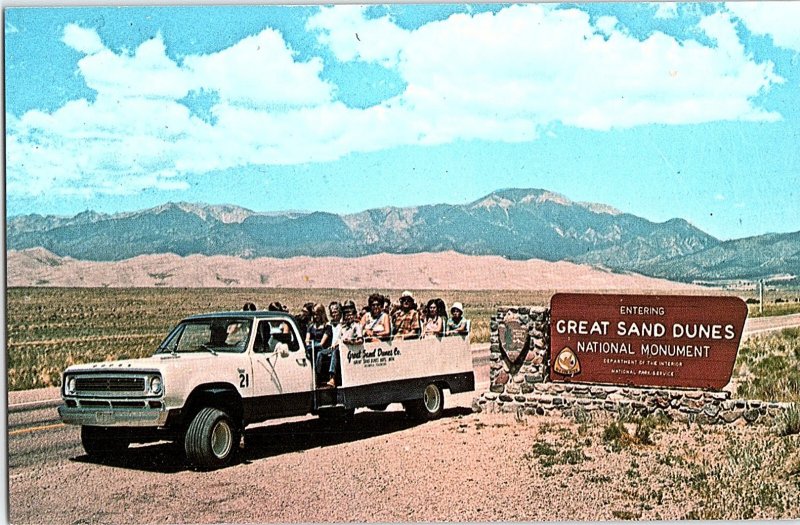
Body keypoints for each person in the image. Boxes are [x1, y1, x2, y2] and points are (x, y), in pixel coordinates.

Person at [325, 300, 363, 387]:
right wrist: (335, 345)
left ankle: (333, 377)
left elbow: (360, 340)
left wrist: (350, 342)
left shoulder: (357, 326)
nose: (348, 317)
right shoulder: (344, 327)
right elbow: (339, 338)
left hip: (352, 349)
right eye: (346, 315)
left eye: (350, 314)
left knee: (335, 352)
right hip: (343, 349)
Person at [306, 304, 333, 380]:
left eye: (317, 315)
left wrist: (312, 346)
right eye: (314, 315)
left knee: (318, 354)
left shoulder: (327, 327)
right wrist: (308, 345)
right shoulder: (311, 326)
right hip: (312, 346)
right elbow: (307, 339)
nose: (315, 317)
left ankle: (317, 374)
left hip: (323, 348)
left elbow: (322, 343)